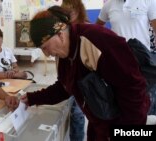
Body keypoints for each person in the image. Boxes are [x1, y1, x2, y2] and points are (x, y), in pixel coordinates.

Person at [20, 6, 150, 141]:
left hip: (124, 121)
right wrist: (31, 98)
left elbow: (133, 89)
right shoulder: (63, 56)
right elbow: (64, 88)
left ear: (60, 35)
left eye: (45, 47)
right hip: (99, 121)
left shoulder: (96, 40)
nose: (46, 54)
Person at [96, 0, 156, 115]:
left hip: (142, 60)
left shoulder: (148, 1)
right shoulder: (109, 4)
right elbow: (98, 27)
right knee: (122, 98)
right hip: (118, 61)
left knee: (145, 99)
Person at [53, 1, 89, 140]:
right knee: (71, 109)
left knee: (78, 112)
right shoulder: (62, 27)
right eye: (66, 10)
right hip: (68, 77)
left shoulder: (85, 28)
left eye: (72, 9)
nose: (70, 13)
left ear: (79, 10)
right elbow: (60, 58)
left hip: (83, 79)